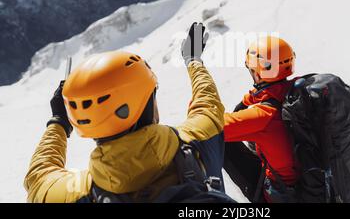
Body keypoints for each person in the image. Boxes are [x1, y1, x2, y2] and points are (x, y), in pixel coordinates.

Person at [24, 22, 228, 203]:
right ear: (142, 106)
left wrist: (59, 121)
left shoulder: (78, 192)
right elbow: (207, 103)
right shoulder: (198, 137)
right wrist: (193, 60)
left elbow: (39, 178)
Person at [223, 36, 300, 203]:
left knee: (221, 142)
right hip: (312, 183)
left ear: (258, 73)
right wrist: (246, 101)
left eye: (252, 70)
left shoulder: (263, 117)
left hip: (282, 194)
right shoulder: (297, 90)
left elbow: (212, 127)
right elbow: (268, 92)